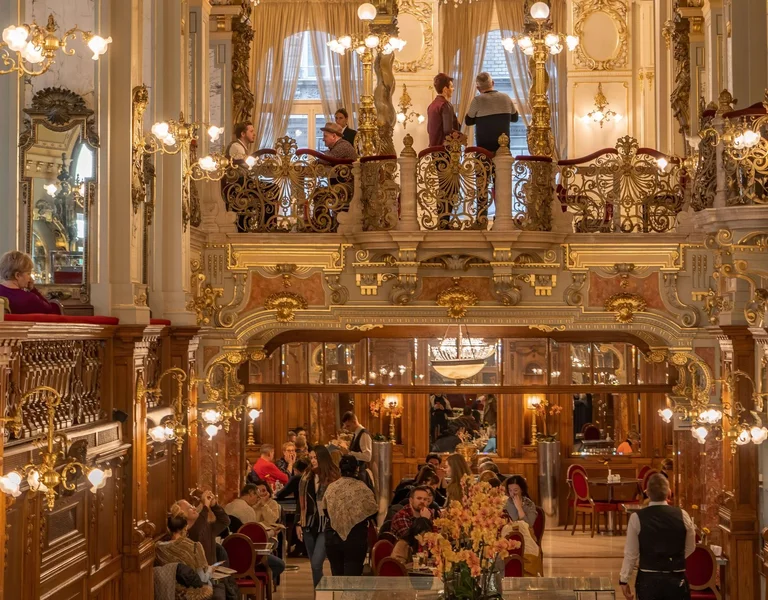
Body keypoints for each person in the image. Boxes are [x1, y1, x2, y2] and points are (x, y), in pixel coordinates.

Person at [619, 473, 695, 600]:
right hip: (676, 578)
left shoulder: (636, 518)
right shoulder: (683, 515)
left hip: (648, 579)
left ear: (647, 493)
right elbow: (691, 547)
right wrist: (673, 558)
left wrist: (624, 580)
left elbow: (631, 553)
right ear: (669, 493)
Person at [323, 455, 378, 576]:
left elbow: (325, 510)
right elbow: (373, 510)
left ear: (340, 468)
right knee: (352, 579)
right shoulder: (362, 488)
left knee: (337, 577)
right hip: (355, 537)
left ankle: (337, 596)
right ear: (356, 469)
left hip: (332, 536)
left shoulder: (332, 487)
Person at [297, 445, 340, 587]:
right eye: (311, 458)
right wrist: (298, 523)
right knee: (314, 567)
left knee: (316, 563)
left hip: (326, 524)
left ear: (323, 458)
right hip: (308, 523)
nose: (313, 461)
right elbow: (301, 502)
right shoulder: (306, 477)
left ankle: (322, 593)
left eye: (315, 458)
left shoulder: (333, 477)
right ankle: (319, 594)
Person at [155, 514, 224, 600]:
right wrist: (210, 570)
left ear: (168, 528)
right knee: (218, 585)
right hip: (194, 593)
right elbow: (202, 578)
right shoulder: (194, 546)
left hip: (171, 591)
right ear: (185, 528)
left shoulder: (158, 549)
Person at [464, 72, 519, 153]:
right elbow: (515, 118)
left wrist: (480, 118)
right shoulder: (506, 97)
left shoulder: (477, 100)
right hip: (503, 149)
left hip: (484, 151)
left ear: (478, 88)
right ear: (493, 83)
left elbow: (468, 121)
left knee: (483, 165)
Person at [171, 491, 230, 565]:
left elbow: (225, 521)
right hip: (198, 575)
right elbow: (197, 531)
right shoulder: (187, 534)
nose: (194, 508)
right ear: (182, 515)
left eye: (193, 506)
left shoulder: (207, 527)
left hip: (212, 572)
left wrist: (214, 506)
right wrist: (205, 507)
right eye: (190, 508)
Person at [427, 72, 460, 147]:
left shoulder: (431, 105)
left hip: (433, 148)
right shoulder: (445, 105)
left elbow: (429, 129)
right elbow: (448, 130)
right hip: (445, 149)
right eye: (451, 87)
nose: (453, 89)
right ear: (445, 89)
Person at [341, 412, 373, 486]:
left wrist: (349, 453)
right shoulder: (356, 434)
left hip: (360, 473)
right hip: (355, 473)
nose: (346, 428)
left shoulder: (364, 434)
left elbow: (367, 456)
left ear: (354, 422)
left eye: (348, 426)